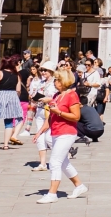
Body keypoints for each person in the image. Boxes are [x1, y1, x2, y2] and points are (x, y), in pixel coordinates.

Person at [34, 67, 85, 203]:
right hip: (56, 132)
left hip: (67, 132)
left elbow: (76, 116)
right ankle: (79, 186)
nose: (54, 82)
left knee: (55, 162)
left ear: (64, 81)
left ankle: (52, 194)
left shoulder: (71, 95)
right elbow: (50, 117)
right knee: (63, 163)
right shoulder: (57, 95)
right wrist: (40, 132)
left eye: (57, 79)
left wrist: (59, 112)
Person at [0, 54, 24, 150]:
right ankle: (6, 144)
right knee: (9, 121)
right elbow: (18, 90)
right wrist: (15, 98)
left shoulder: (0, 73)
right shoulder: (17, 75)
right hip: (13, 96)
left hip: (0, 96)